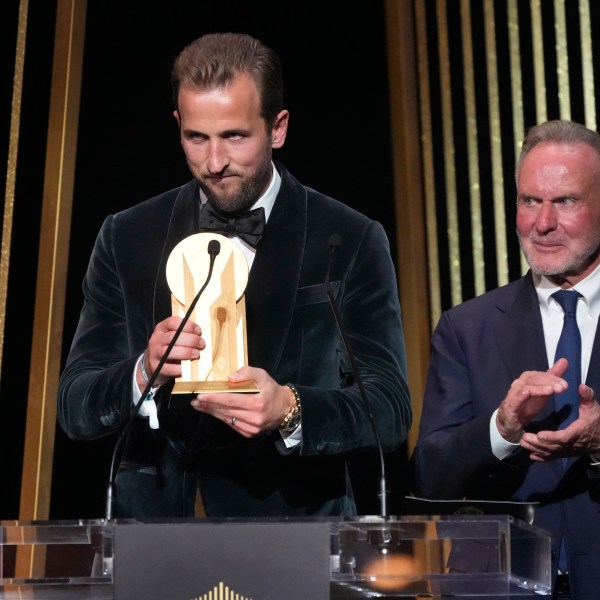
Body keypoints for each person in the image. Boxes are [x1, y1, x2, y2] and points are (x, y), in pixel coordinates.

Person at [57, 32, 411, 519]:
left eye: (235, 137)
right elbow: (76, 405)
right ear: (178, 124)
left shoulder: (349, 239)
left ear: (278, 127)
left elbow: (389, 411)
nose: (215, 162)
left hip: (295, 538)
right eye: (196, 138)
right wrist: (142, 370)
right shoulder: (127, 236)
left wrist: (290, 409)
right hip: (156, 540)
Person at [410, 119, 600, 599]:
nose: (543, 223)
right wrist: (500, 427)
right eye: (529, 201)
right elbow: (429, 478)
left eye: (566, 202)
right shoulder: (465, 329)